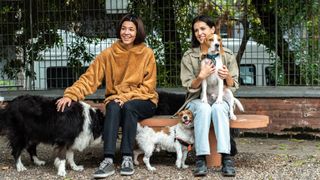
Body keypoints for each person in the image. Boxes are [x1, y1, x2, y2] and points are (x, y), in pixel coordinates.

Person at [56, 13, 158, 178]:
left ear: (137, 32)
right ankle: (108, 160)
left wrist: (125, 97)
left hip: (144, 100)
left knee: (129, 107)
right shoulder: (109, 53)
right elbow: (90, 78)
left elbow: (148, 87)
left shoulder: (147, 54)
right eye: (123, 28)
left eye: (131, 29)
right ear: (119, 30)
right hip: (116, 100)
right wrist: (71, 94)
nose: (126, 32)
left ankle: (126, 157)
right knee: (112, 106)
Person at [179, 15, 239, 177]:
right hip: (197, 100)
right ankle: (200, 159)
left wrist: (227, 76)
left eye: (203, 28)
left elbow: (235, 84)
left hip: (219, 95)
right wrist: (201, 76)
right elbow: (188, 85)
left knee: (219, 109)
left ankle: (226, 158)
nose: (199, 33)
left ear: (213, 30)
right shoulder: (189, 56)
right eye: (196, 30)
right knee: (204, 108)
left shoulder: (226, 54)